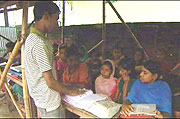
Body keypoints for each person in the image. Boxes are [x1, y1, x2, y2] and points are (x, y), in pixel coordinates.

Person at [24, 2, 84, 118]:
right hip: (49, 102)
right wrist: (72, 92)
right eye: (56, 19)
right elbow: (50, 82)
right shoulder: (39, 44)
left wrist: (67, 86)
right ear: (46, 16)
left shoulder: (31, 38)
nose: (57, 24)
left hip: (42, 98)